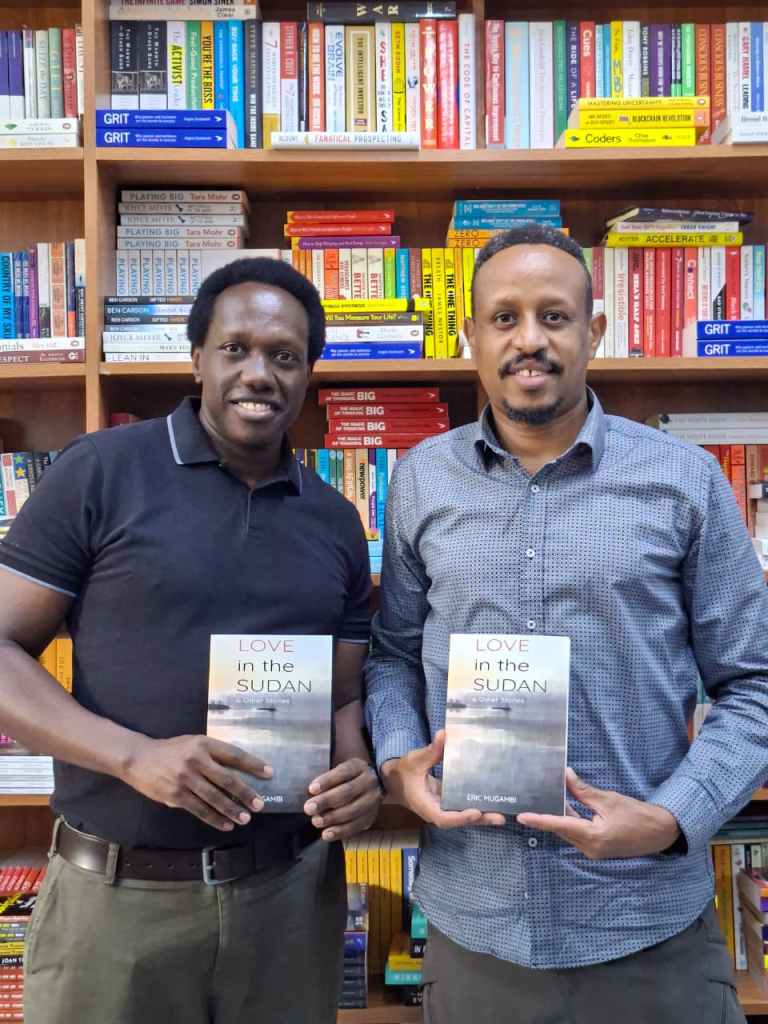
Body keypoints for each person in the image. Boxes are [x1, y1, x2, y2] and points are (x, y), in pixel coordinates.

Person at [365, 223, 768, 1024]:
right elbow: (391, 657)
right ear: (471, 336)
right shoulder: (419, 480)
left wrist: (672, 818)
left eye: (554, 316)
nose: (529, 340)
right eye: (504, 318)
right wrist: (398, 761)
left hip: (648, 926)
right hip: (475, 927)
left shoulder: (685, 480)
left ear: (595, 331)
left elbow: (755, 684)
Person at [0, 257, 382, 1024]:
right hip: (118, 903)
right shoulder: (100, 472)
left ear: (308, 373)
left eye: (285, 356)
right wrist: (133, 757)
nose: (259, 373)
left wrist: (358, 777)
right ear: (197, 356)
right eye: (236, 348)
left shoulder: (336, 520)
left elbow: (343, 697)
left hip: (288, 902)